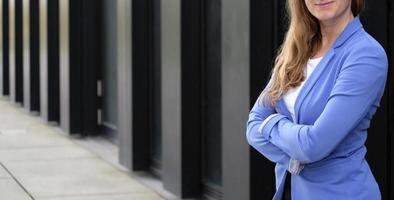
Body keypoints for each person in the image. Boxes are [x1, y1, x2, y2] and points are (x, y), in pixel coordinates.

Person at [246, 0, 388, 199]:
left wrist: (270, 124)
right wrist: (295, 160)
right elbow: (253, 126)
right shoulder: (296, 50)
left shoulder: (365, 54)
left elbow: (313, 145)